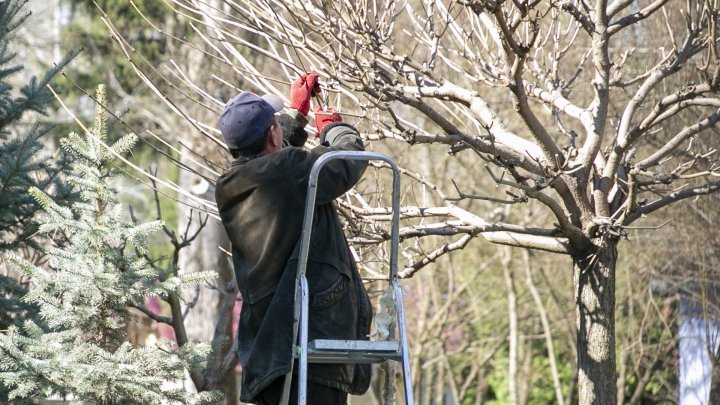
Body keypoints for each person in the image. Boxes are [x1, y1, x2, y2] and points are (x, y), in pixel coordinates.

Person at [214, 73, 373, 405]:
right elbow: (347, 161)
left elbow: (272, 163)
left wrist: (296, 115)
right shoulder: (287, 170)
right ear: (272, 134)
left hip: (270, 346)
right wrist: (333, 129)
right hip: (311, 338)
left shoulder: (230, 185)